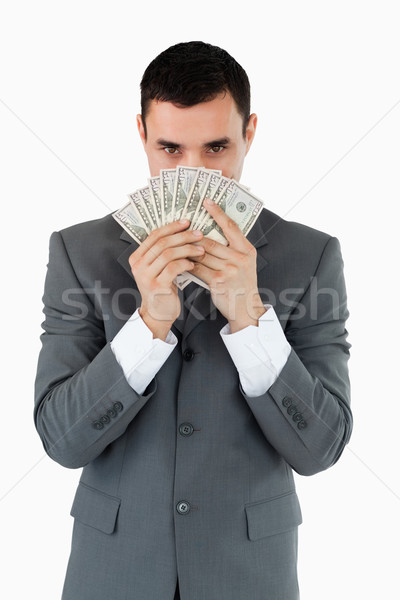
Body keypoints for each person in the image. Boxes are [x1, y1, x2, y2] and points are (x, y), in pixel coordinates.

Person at [34, 41, 352, 600]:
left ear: (250, 132)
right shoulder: (78, 253)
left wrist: (251, 319)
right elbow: (62, 441)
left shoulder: (312, 257)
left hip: (248, 576)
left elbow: (321, 449)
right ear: (141, 133)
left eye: (217, 147)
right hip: (113, 573)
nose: (194, 171)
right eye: (170, 148)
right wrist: (149, 322)